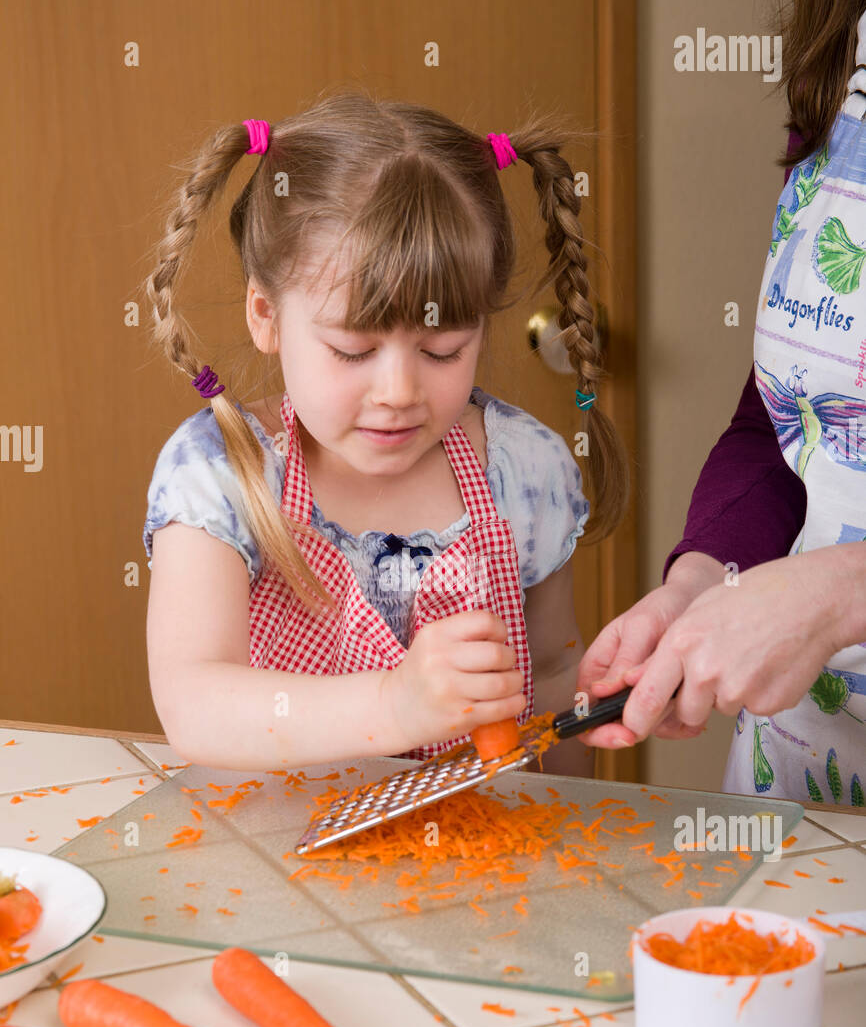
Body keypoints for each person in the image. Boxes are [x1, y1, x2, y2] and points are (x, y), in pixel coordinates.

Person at [141, 93, 629, 774]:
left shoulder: (525, 471)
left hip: (480, 866)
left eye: (442, 351)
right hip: (278, 855)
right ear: (266, 314)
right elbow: (194, 701)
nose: (399, 395)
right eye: (352, 351)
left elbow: (550, 675)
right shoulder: (222, 473)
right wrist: (395, 706)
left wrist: (569, 840)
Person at [578, 0, 866, 806]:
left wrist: (838, 597)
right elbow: (790, 422)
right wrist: (707, 580)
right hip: (808, 782)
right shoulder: (844, 54)